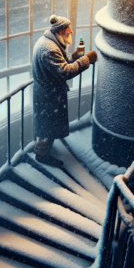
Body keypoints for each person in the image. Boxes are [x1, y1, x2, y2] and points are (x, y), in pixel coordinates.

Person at [31, 15, 98, 167]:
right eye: (68, 30)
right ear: (61, 32)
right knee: (47, 127)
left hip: (47, 93)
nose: (72, 32)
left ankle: (44, 149)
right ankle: (42, 155)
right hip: (48, 96)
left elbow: (58, 65)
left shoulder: (49, 43)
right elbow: (64, 72)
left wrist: (75, 57)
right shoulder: (49, 50)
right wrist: (86, 59)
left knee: (47, 125)